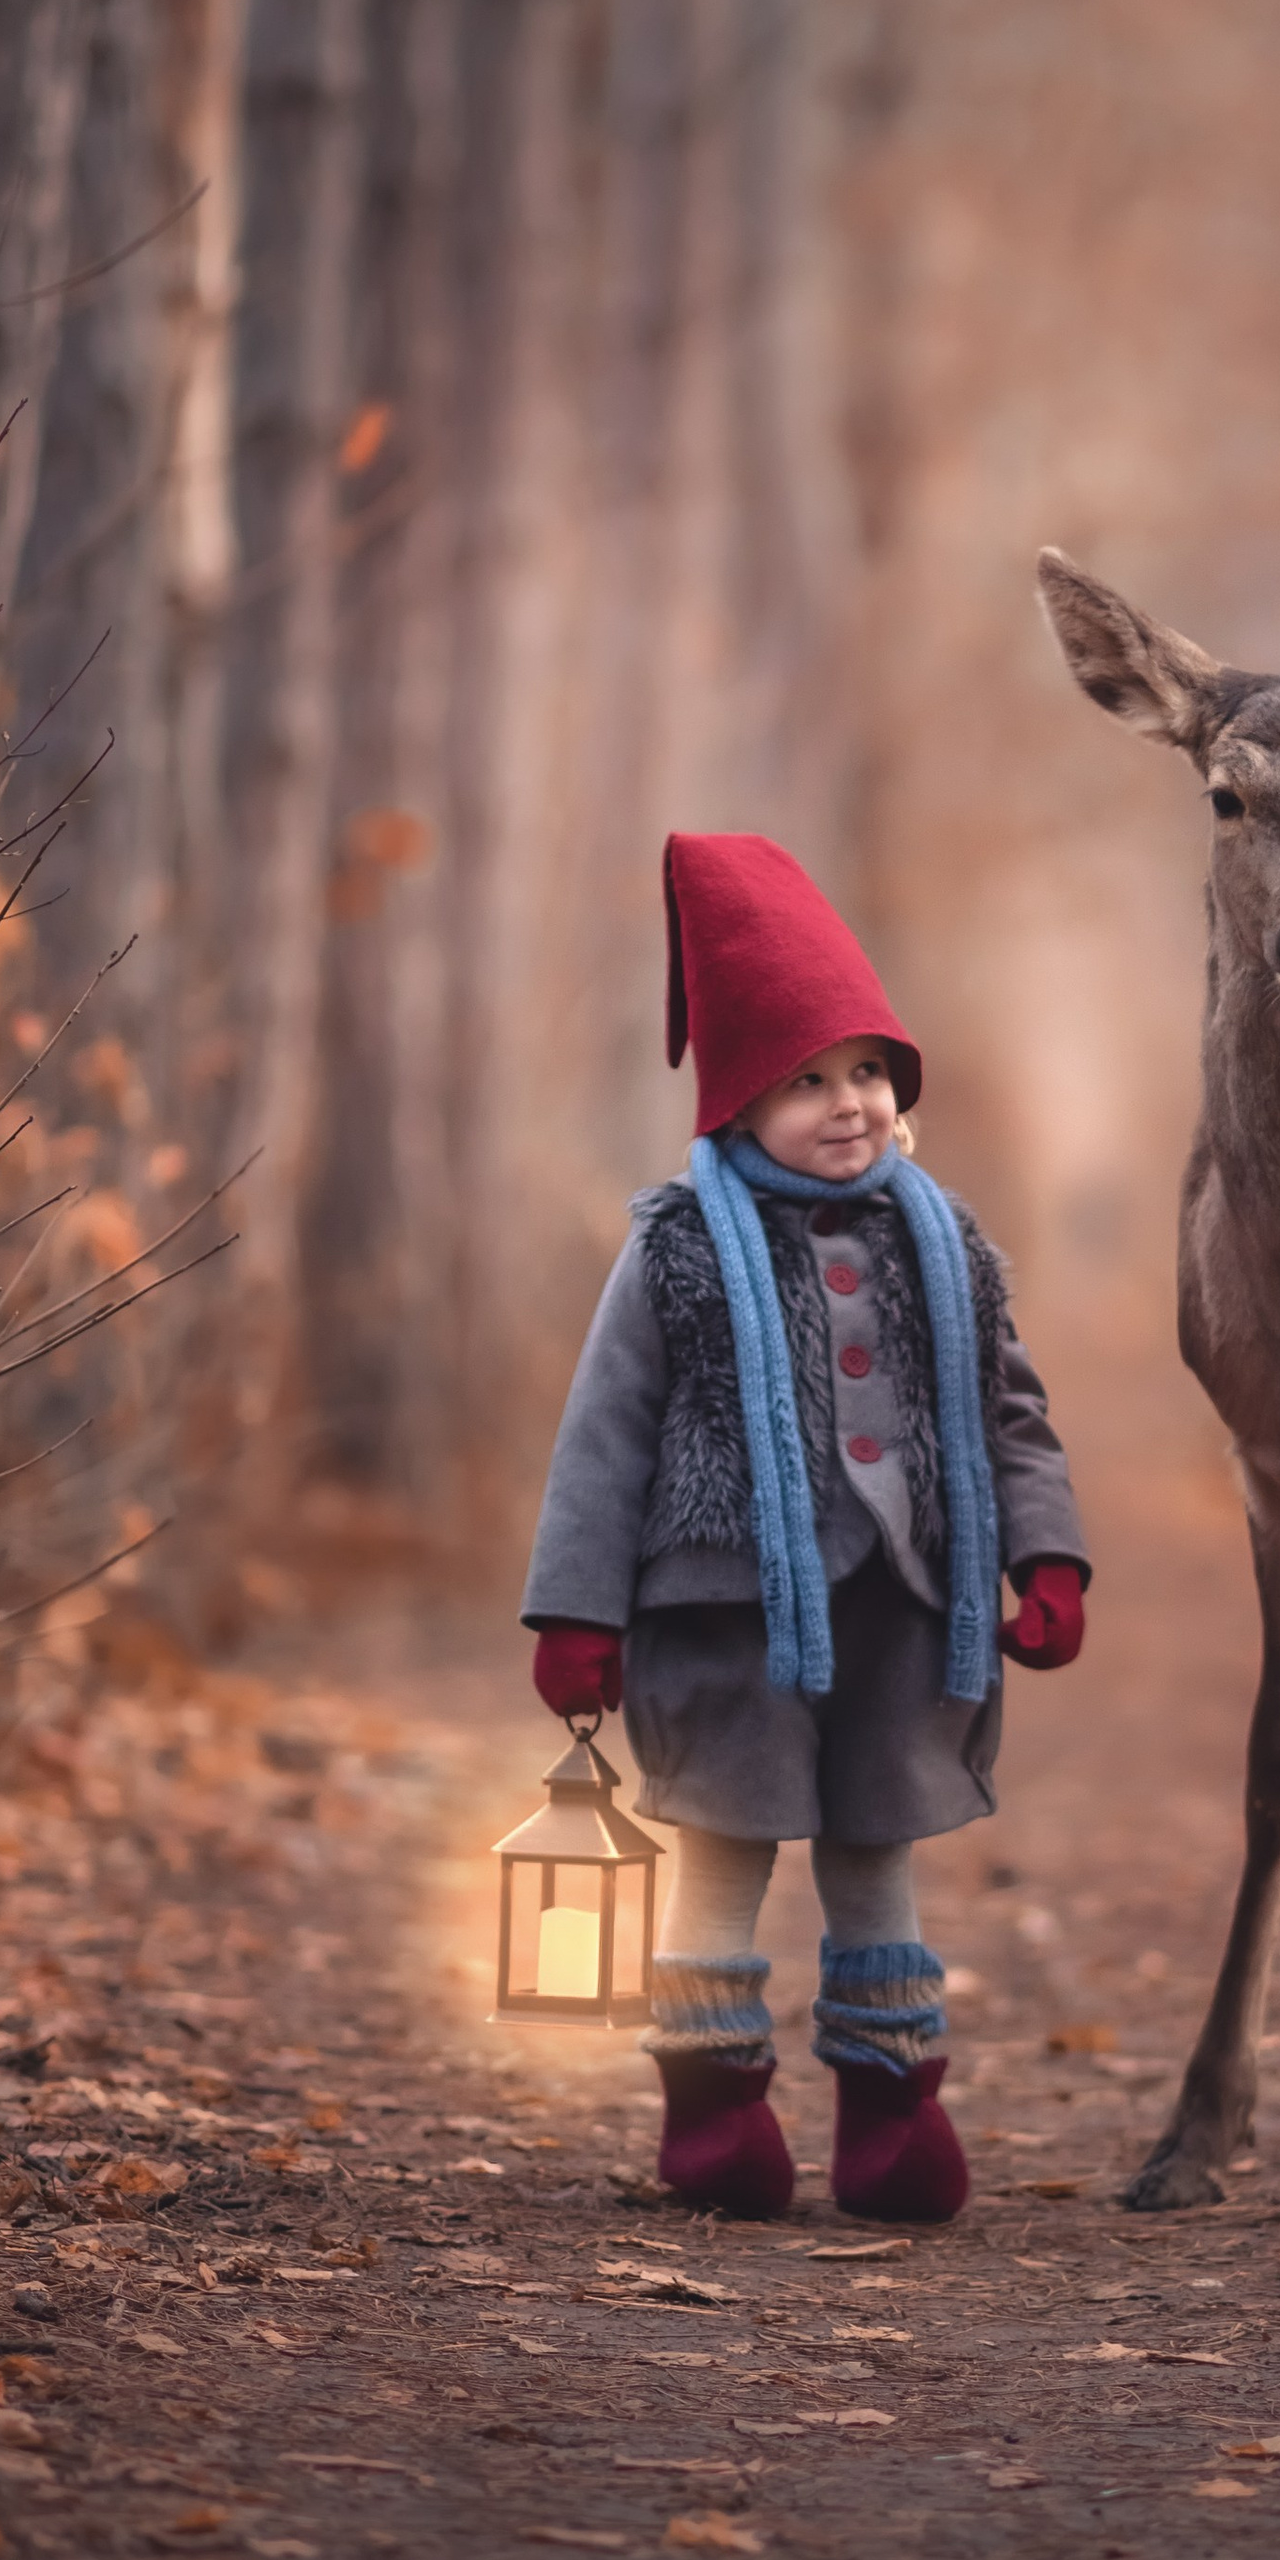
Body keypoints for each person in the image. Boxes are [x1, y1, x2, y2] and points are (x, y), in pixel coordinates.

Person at [520, 833, 1089, 2224]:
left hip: (905, 1599)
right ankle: (715, 2107)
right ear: (735, 1101)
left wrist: (1046, 1552)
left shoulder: (945, 1241)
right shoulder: (676, 1246)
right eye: (806, 1080)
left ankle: (892, 2114)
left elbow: (1010, 1411)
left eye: (868, 1072)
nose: (849, 1105)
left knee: (875, 1843)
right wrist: (579, 1610)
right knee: (725, 1840)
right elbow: (607, 1429)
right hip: (725, 1607)